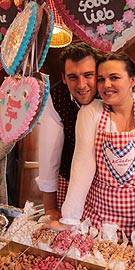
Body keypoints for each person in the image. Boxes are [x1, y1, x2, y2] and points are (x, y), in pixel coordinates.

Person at [43, 52, 135, 256]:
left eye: (114, 77)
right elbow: (82, 167)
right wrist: (69, 220)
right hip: (98, 218)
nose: (106, 85)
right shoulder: (90, 113)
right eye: (101, 79)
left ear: (132, 80)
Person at [36, 42, 102, 220]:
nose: (81, 85)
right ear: (64, 78)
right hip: (69, 179)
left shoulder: (113, 91)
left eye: (89, 75)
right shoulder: (56, 96)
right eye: (73, 77)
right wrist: (50, 208)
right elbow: (49, 154)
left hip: (109, 186)